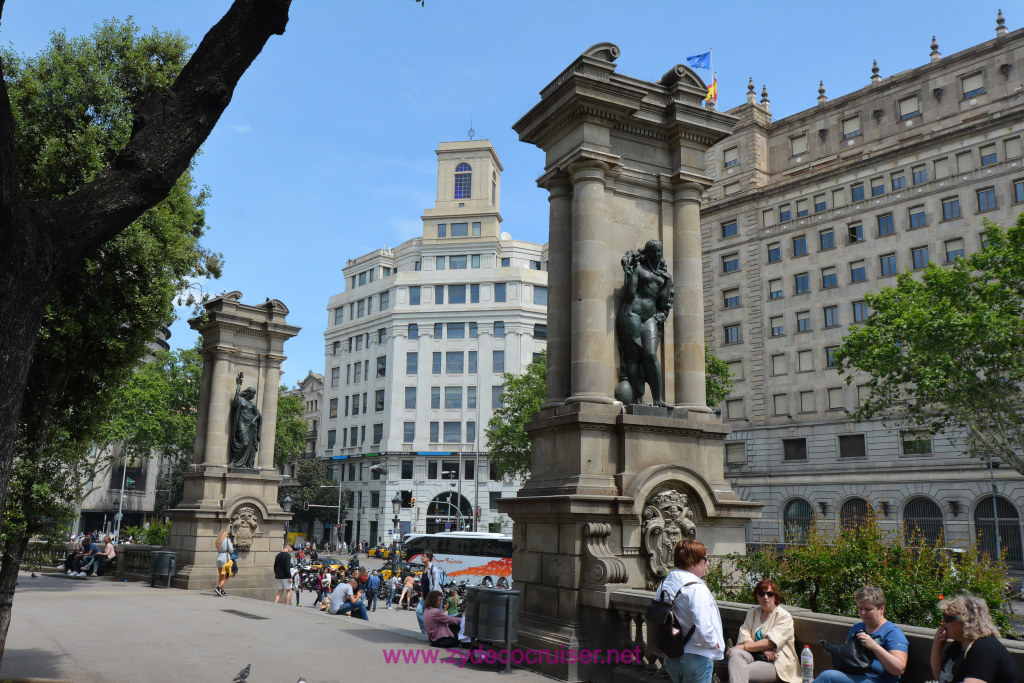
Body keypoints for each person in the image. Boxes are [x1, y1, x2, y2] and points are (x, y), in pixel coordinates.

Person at [655, 539, 724, 683]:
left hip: (672, 654)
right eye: (705, 559)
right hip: (697, 656)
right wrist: (714, 644)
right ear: (693, 562)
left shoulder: (665, 584)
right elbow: (704, 624)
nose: (707, 563)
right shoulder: (696, 588)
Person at [615, 239, 673, 407]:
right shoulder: (639, 269)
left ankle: (658, 399)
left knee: (651, 354)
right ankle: (637, 397)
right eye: (653, 251)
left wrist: (667, 283)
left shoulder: (664, 277)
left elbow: (662, 304)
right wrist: (630, 272)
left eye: (659, 251)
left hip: (649, 318)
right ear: (646, 253)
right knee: (633, 356)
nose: (656, 255)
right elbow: (629, 295)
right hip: (630, 313)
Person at [813, 586, 908, 683]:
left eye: (868, 609)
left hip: (879, 679)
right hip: (855, 675)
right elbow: (847, 657)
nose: (863, 613)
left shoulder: (893, 633)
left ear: (881, 609)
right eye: (860, 608)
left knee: (827, 677)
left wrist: (874, 646)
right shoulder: (857, 628)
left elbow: (898, 669)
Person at [726, 579, 800, 683]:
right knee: (735, 653)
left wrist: (744, 647)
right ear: (757, 596)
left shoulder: (784, 617)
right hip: (756, 655)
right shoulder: (753, 613)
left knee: (740, 671)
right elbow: (744, 635)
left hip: (776, 662)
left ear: (775, 597)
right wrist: (763, 649)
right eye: (761, 594)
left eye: (770, 594)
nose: (765, 597)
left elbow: (770, 643)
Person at [931, 593, 1016, 683]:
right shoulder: (957, 645)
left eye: (948, 618)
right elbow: (942, 678)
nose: (943, 622)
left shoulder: (984, 648)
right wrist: (936, 648)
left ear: (966, 621)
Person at [229, 373, 262, 468]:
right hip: (241, 422)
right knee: (244, 442)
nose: (253, 396)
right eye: (253, 394)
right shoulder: (240, 399)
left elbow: (258, 414)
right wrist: (239, 385)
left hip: (250, 425)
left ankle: (242, 462)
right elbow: (235, 402)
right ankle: (234, 462)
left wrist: (253, 420)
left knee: (248, 444)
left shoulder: (252, 405)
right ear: (249, 393)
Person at [418, 551, 444, 634]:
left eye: (423, 555)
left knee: (438, 618)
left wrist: (433, 600)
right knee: (419, 611)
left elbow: (435, 586)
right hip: (425, 596)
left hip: (434, 598)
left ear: (428, 558)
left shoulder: (434, 569)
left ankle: (441, 633)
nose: (421, 557)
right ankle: (425, 632)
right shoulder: (424, 569)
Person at [214, 528, 234, 596]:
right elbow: (231, 550)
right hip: (225, 559)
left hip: (219, 558)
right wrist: (231, 545)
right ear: (225, 534)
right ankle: (219, 587)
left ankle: (222, 591)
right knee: (227, 575)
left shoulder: (218, 541)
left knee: (221, 575)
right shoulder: (227, 540)